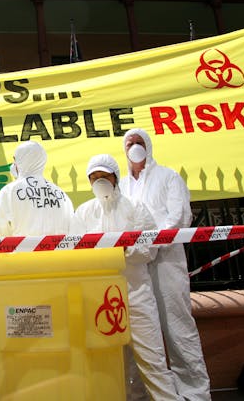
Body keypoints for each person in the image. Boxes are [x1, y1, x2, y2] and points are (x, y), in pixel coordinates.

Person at [71, 154, 179, 400]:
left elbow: (149, 249)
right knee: (108, 366)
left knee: (153, 362)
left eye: (104, 176)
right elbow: (75, 253)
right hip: (100, 301)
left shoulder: (136, 208)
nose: (100, 181)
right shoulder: (84, 212)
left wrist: (121, 250)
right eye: (94, 177)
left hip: (136, 295)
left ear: (115, 177)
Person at [119, 128, 211, 400]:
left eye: (138, 142)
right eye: (130, 143)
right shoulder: (123, 185)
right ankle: (145, 392)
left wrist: (153, 245)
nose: (134, 147)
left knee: (176, 324)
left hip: (166, 261)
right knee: (140, 331)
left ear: (148, 145)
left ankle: (194, 393)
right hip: (135, 265)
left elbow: (179, 216)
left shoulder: (168, 177)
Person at [0, 140, 73, 237]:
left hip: (22, 250)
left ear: (21, 161)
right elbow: (71, 231)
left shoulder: (9, 191)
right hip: (59, 251)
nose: (14, 165)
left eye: (15, 160)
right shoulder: (61, 194)